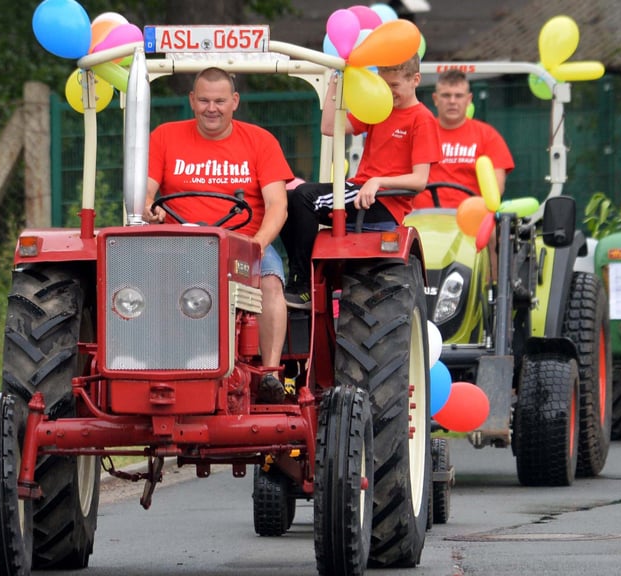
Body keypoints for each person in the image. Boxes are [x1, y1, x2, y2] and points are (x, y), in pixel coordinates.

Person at [143, 67, 293, 403]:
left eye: (220, 101)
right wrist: (150, 208)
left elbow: (277, 205)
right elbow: (145, 194)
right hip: (179, 245)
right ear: (192, 101)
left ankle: (269, 374)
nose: (213, 108)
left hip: (243, 242)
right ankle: (155, 364)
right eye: (205, 100)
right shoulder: (165, 136)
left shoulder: (260, 142)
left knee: (270, 280)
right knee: (138, 283)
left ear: (234, 102)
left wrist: (258, 245)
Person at [280, 53, 441, 308]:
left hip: (383, 204)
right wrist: (335, 83)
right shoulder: (379, 109)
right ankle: (300, 278)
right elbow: (330, 126)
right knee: (285, 200)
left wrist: (379, 182)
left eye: (394, 86)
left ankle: (303, 285)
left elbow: (420, 180)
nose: (388, 92)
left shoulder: (421, 119)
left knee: (304, 197)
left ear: (415, 80)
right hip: (360, 191)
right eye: (383, 85)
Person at [413, 68, 515, 210]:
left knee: (494, 231)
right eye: (446, 95)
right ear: (435, 99)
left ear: (469, 99)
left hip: (472, 220)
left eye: (459, 96)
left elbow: (496, 189)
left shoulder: (488, 135)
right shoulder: (419, 133)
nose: (452, 101)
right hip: (422, 219)